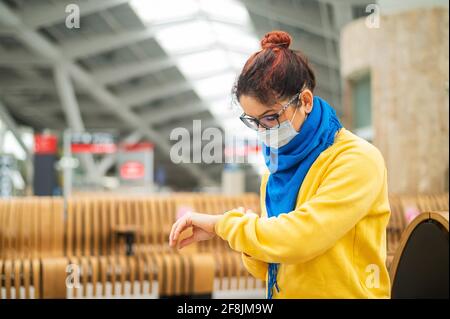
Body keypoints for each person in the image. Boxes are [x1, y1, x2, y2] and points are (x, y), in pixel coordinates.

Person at [169, 30, 391, 299]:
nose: (262, 130)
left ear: (305, 101)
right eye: (253, 121)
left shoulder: (356, 159)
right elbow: (270, 266)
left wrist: (224, 226)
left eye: (270, 117)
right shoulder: (276, 168)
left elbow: (301, 237)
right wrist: (248, 238)